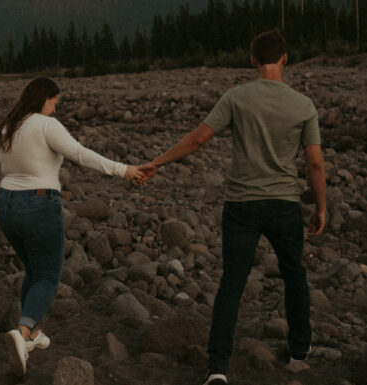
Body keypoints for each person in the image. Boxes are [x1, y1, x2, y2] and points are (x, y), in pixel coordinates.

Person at [139, 29, 326, 385]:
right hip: (284, 203)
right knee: (294, 276)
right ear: (285, 58)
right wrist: (320, 207)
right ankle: (300, 350)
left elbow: (198, 139)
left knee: (232, 282)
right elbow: (315, 164)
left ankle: (218, 367)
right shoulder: (303, 105)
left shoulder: (236, 98)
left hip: (241, 204)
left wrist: (156, 162)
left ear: (252, 60)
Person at [0, 76, 145, 377]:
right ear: (44, 99)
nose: (55, 110)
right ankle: (22, 332)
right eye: (54, 103)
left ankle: (31, 334)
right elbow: (81, 155)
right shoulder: (46, 125)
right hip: (38, 204)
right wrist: (123, 170)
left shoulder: (5, 127)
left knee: (33, 269)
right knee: (48, 274)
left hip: (7, 204)